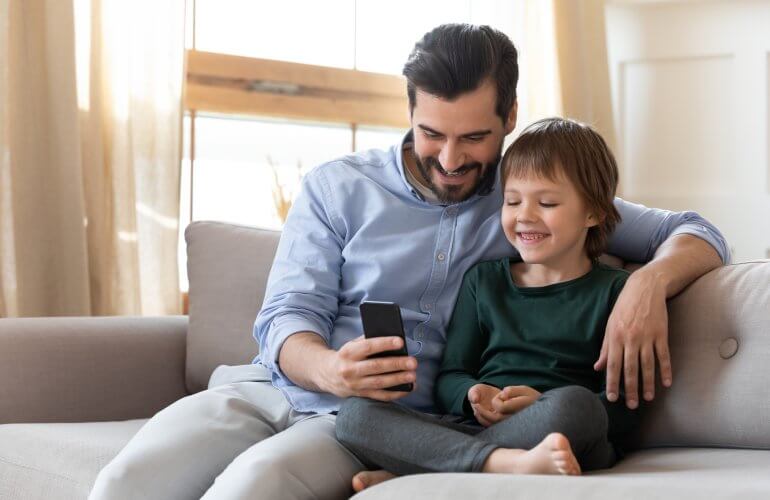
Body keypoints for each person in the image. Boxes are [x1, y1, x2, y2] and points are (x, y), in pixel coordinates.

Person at [89, 24, 729, 500]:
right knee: (125, 482)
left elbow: (694, 232)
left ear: (509, 117)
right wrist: (332, 368)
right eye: (432, 134)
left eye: (474, 137)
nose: (450, 159)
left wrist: (647, 283)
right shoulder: (337, 187)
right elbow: (285, 315)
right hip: (266, 390)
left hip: (370, 423)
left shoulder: (528, 196)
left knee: (252, 488)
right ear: (411, 113)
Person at [335, 117, 641, 489]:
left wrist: (540, 403)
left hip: (565, 433)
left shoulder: (617, 292)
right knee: (354, 414)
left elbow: (625, 407)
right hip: (476, 426)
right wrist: (471, 395)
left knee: (576, 405)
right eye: (512, 201)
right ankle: (503, 462)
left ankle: (423, 467)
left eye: (546, 202)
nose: (524, 215)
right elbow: (451, 376)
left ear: (593, 213)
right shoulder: (485, 281)